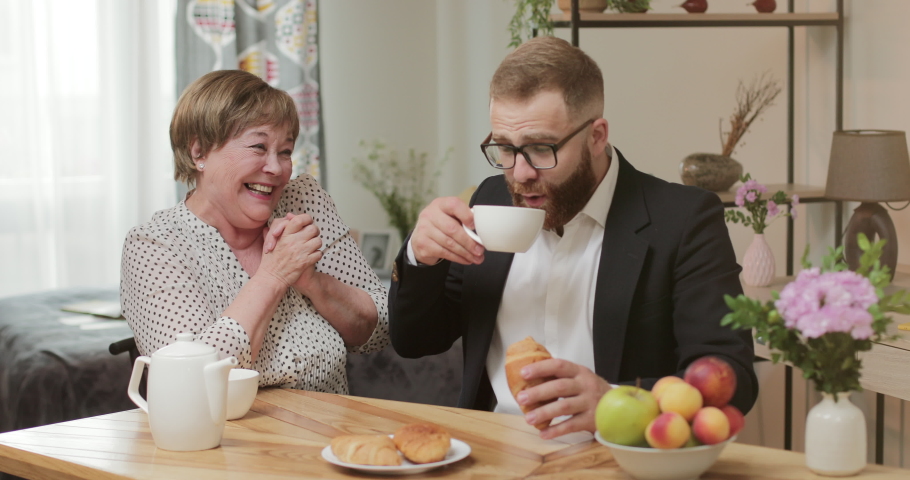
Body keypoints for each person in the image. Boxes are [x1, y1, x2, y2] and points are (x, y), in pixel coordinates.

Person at [388, 37, 757, 439]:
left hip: (621, 456)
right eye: (505, 149)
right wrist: (419, 257)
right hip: (494, 455)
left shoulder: (683, 220)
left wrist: (614, 401)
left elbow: (732, 378)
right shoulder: (491, 201)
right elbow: (415, 340)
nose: (520, 173)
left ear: (597, 136)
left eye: (540, 149)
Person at [121, 70, 389, 393]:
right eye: (259, 147)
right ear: (199, 152)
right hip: (233, 443)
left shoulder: (303, 201)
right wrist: (274, 276)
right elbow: (189, 387)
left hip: (332, 437)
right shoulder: (154, 246)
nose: (276, 169)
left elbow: (382, 329)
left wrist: (314, 283)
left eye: (286, 151)